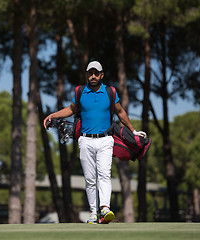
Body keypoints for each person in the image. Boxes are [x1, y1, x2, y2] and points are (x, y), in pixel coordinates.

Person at [43, 61, 146, 224]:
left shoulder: (110, 92)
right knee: (90, 179)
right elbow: (71, 109)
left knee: (104, 174)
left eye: (96, 73)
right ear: (87, 74)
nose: (93, 76)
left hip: (105, 140)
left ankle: (105, 208)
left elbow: (120, 112)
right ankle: (93, 213)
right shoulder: (80, 91)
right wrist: (53, 115)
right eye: (90, 73)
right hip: (85, 141)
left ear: (101, 75)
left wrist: (133, 131)